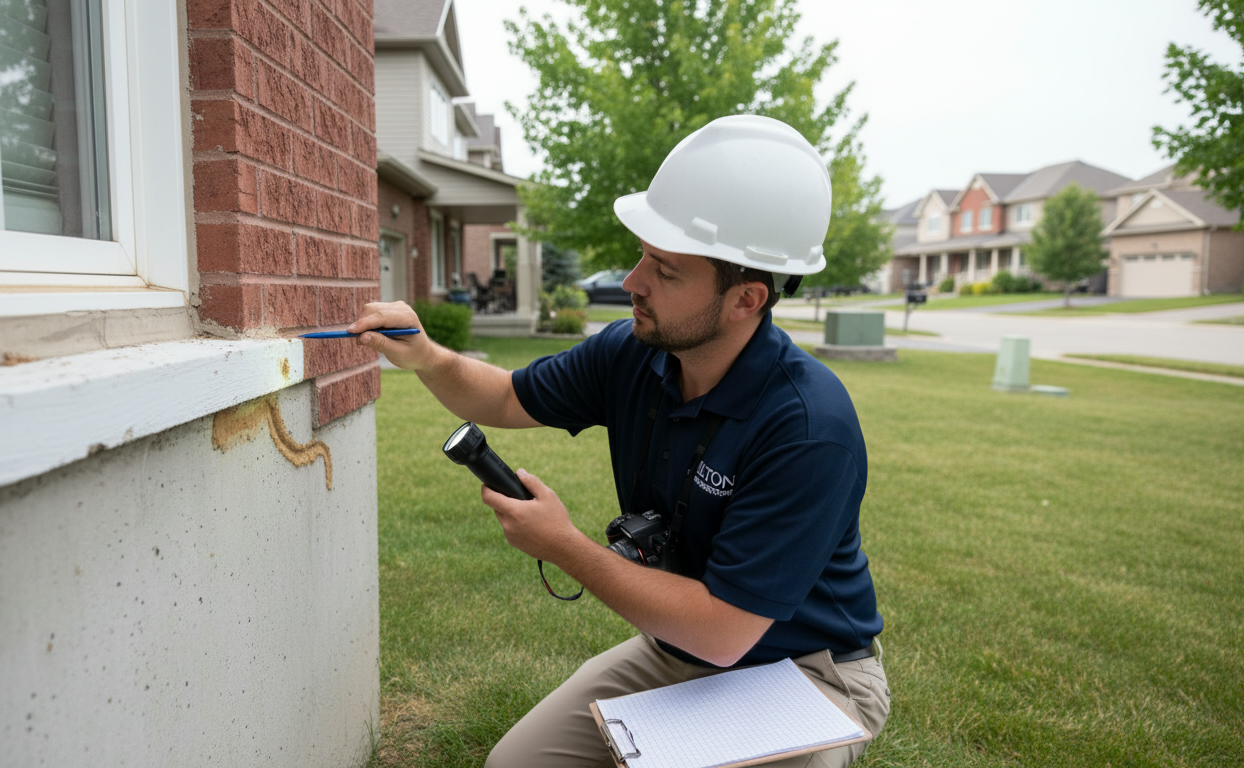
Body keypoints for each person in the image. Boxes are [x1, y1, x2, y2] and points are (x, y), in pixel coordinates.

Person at [350, 115, 889, 768]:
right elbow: (501, 397)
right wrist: (428, 356)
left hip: (804, 671)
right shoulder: (633, 353)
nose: (631, 281)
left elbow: (723, 630)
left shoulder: (808, 429)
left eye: (663, 269)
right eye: (641, 255)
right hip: (677, 650)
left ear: (746, 298)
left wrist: (566, 547)